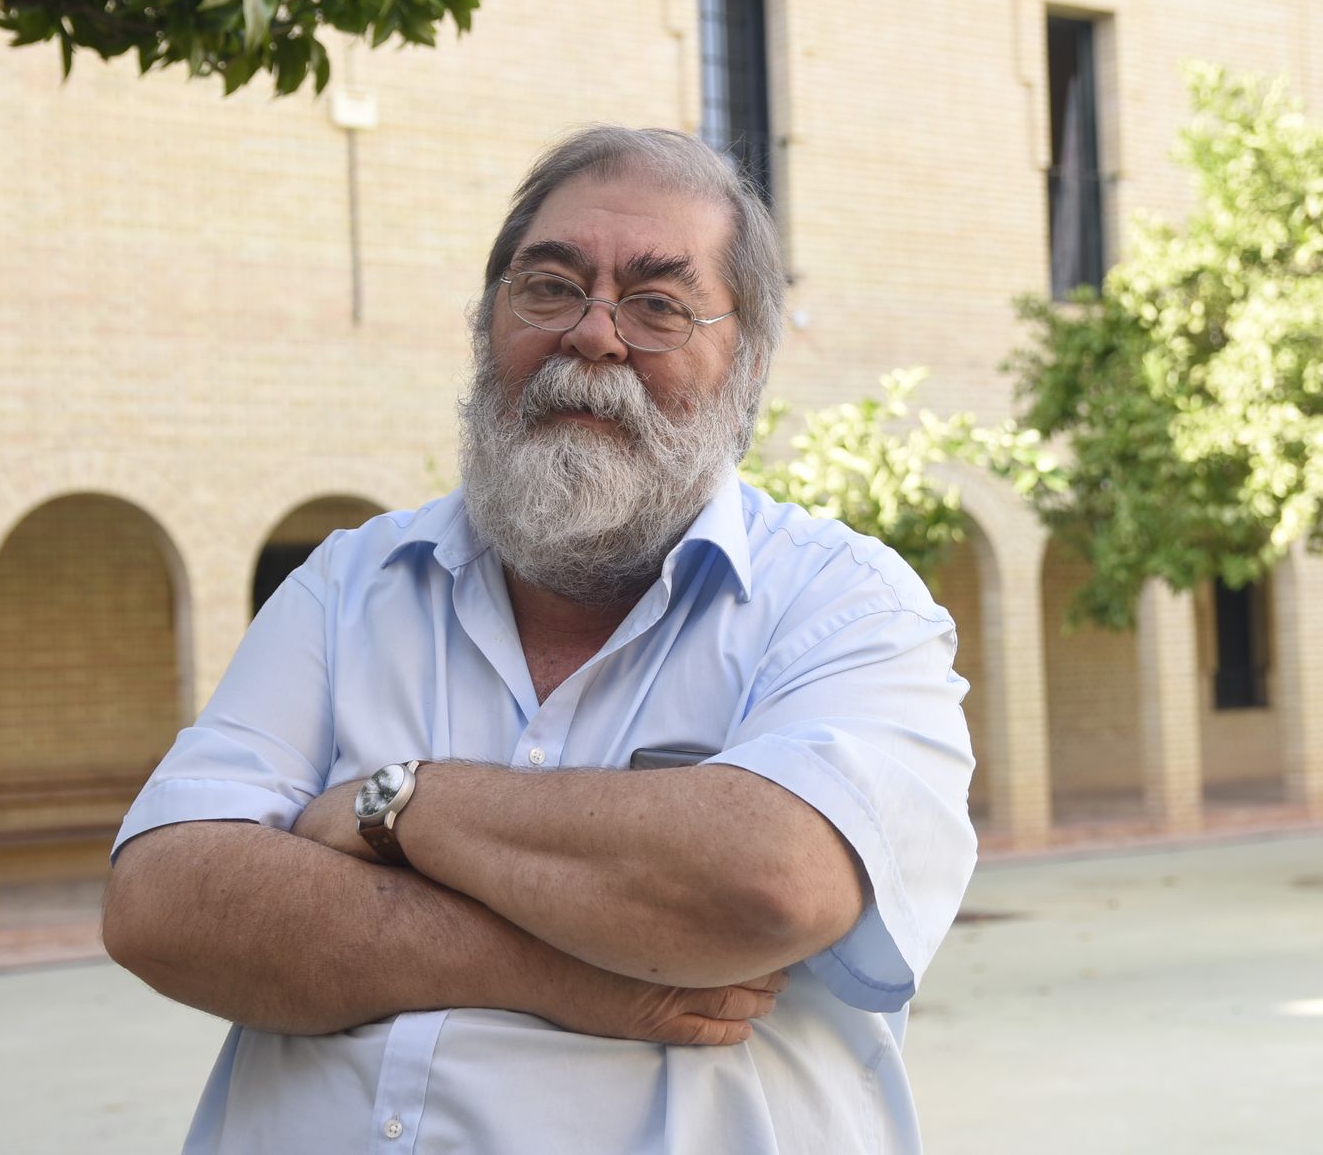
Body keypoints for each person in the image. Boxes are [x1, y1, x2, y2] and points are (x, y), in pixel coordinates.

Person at [103, 125, 977, 1154]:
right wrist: (566, 969)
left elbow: (769, 880)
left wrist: (402, 804)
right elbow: (163, 902)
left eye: (655, 305)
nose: (593, 336)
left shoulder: (846, 601)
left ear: (743, 360)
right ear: (486, 326)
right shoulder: (348, 582)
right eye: (551, 287)